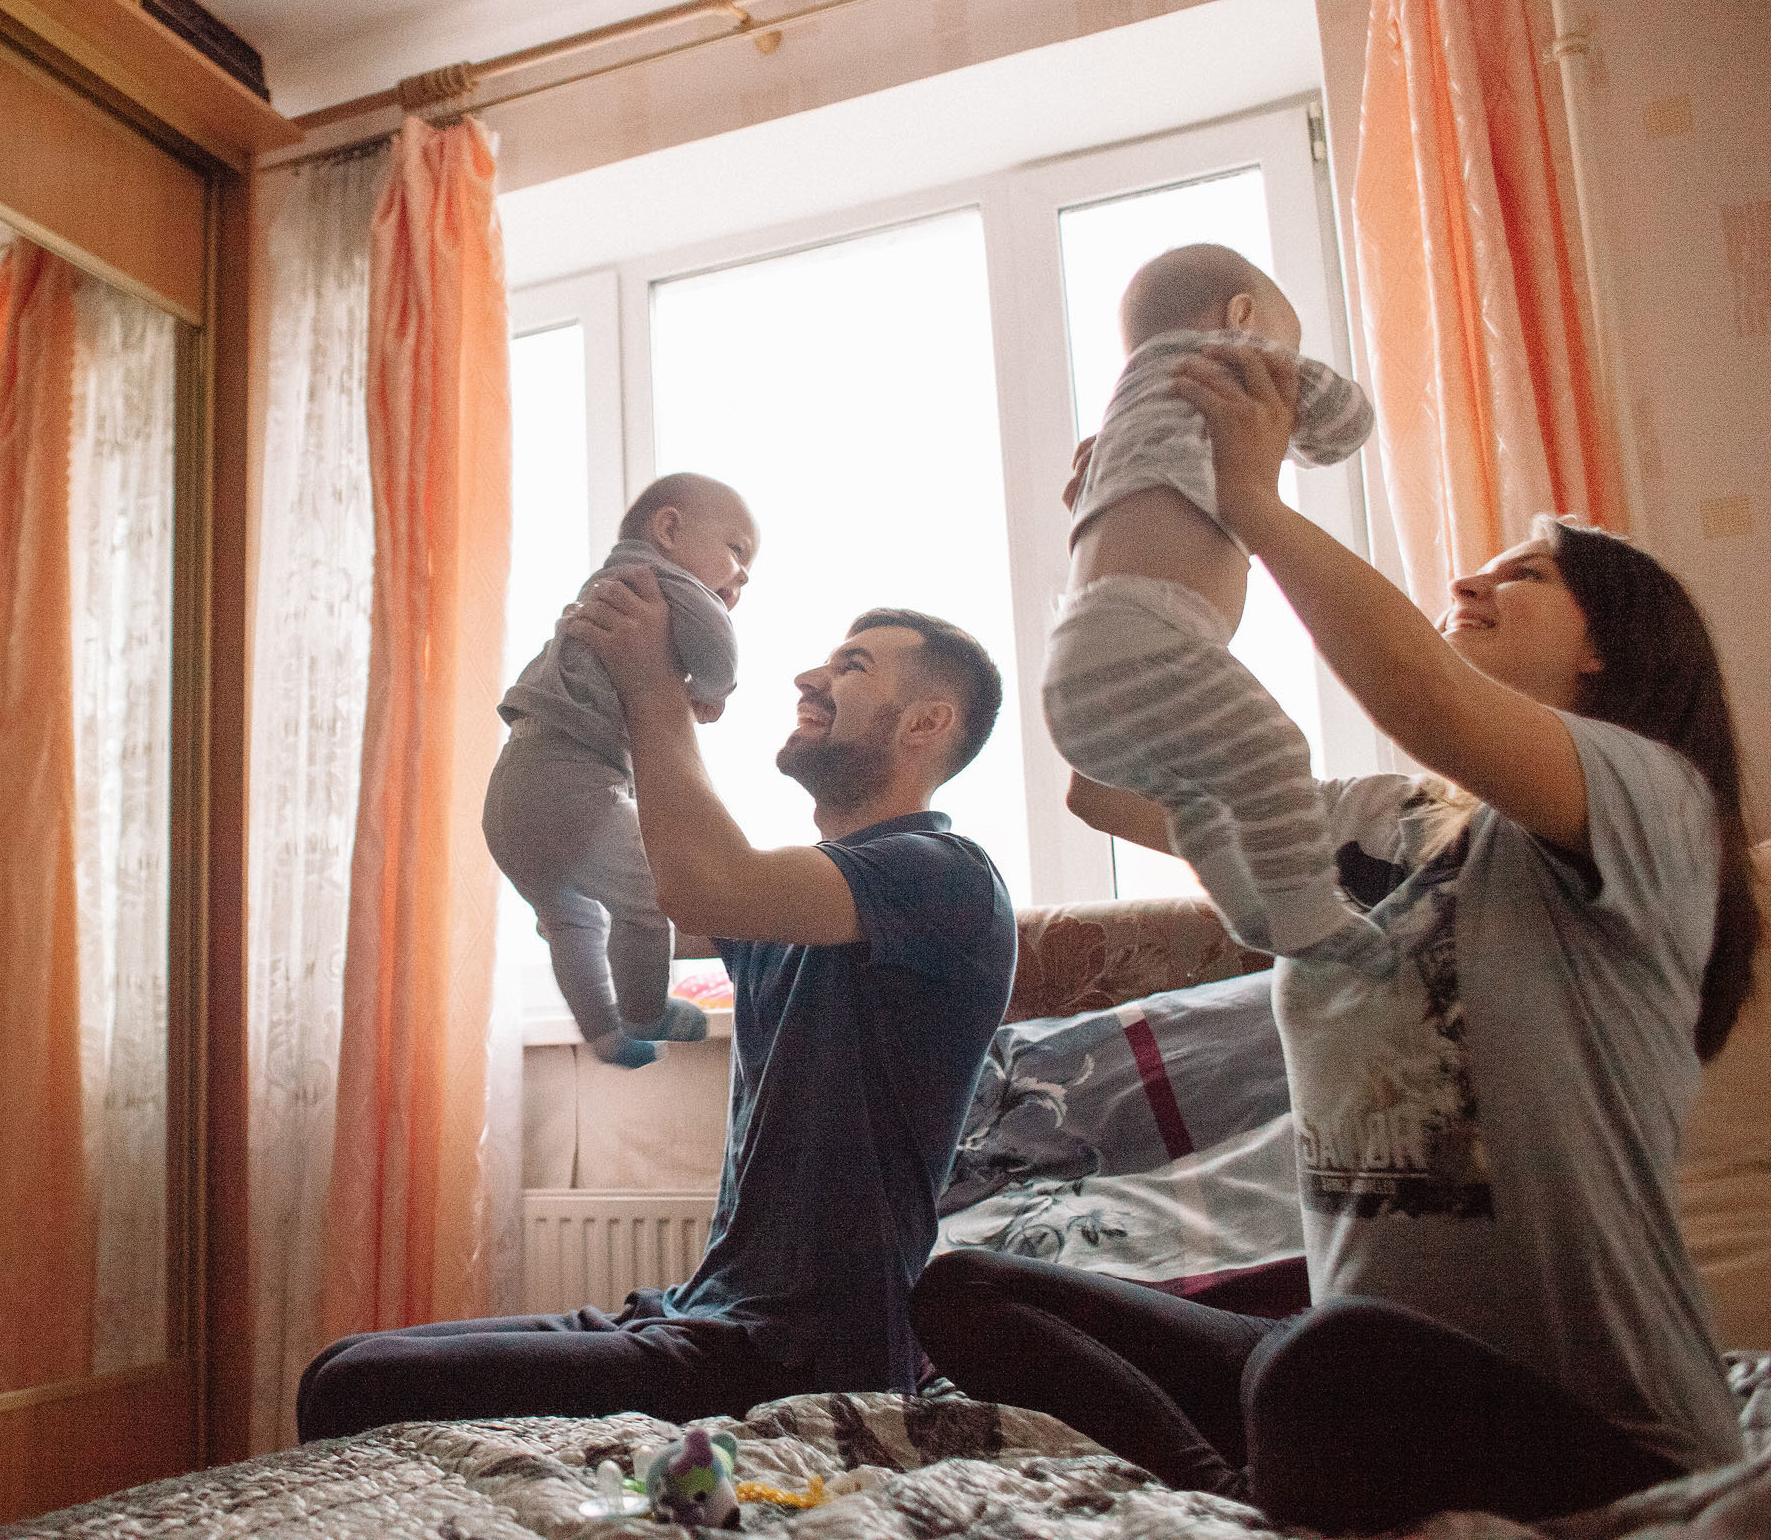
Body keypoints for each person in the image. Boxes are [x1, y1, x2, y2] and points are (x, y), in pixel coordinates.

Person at [915, 341, 1753, 1534]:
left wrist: (1253, 501)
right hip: (1363, 1384)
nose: (1468, 585)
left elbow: (1426, 698)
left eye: (1519, 575)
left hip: (1611, 1443)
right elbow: (1102, 788)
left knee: (1328, 1362)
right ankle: (1238, 1497)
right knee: (971, 1291)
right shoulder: (1384, 824)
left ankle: (1272, 1476)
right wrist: (1117, 546)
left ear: (1607, 640)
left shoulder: (1653, 803)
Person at [298, 589, 1016, 1442]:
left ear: (926, 724)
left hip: (809, 1355)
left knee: (361, 1389)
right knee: (338, 1367)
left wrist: (653, 688)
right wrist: (578, 715)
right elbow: (629, 886)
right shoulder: (802, 901)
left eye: (851, 667)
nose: (808, 677)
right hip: (705, 1313)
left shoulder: (947, 877)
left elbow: (702, 880)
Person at [1044, 244, 1390, 971]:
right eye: (1282, 339)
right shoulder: (1217, 360)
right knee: (1273, 751)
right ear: (1241, 318)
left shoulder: (1117, 427)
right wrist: (1294, 402)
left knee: (1198, 795)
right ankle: (1309, 915)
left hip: (1075, 673)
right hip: (1151, 634)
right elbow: (1346, 422)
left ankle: (1251, 909)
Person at [487, 473, 757, 1068]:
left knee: (569, 919)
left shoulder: (603, 588)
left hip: (510, 793)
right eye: (737, 550)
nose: (740, 576)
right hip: (571, 783)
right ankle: (643, 1013)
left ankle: (603, 1032)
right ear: (668, 528)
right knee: (645, 900)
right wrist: (716, 689)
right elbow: (718, 646)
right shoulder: (660, 580)